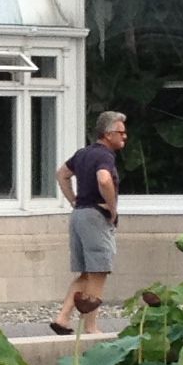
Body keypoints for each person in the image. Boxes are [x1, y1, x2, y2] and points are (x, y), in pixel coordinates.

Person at [51, 111, 127, 337]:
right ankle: (91, 327)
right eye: (121, 133)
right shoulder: (105, 156)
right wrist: (112, 209)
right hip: (95, 216)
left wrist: (74, 200)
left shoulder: (83, 153)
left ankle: (62, 318)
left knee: (86, 274)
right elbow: (104, 179)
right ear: (107, 134)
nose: (125, 137)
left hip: (79, 215)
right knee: (98, 272)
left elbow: (61, 174)